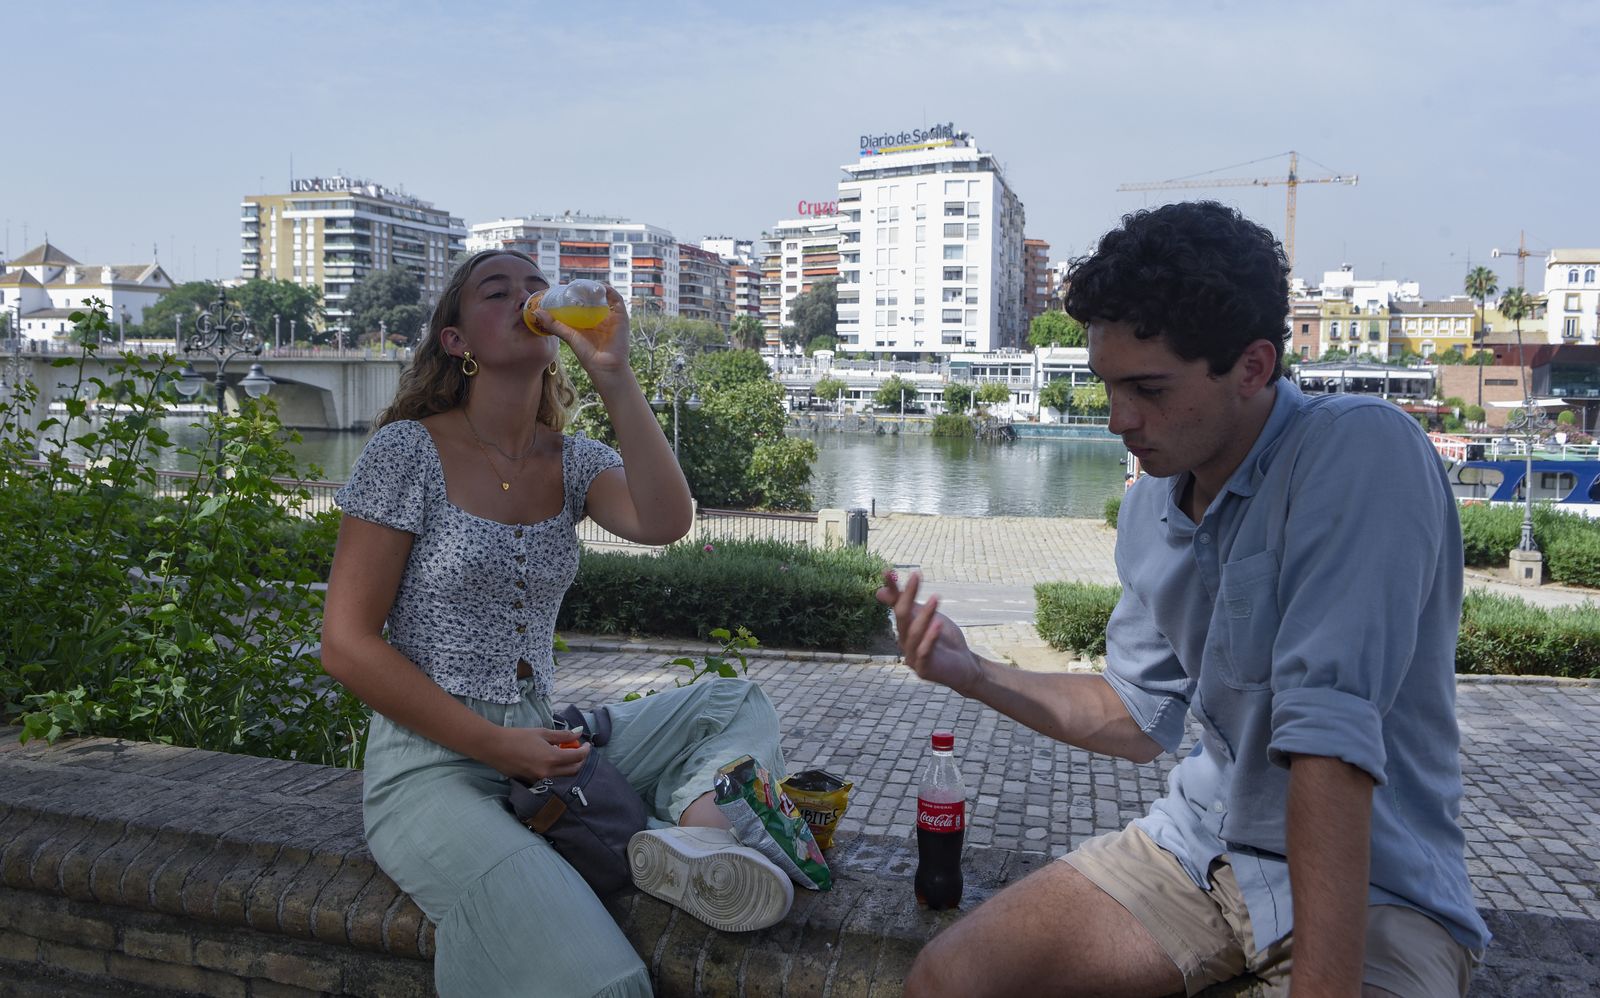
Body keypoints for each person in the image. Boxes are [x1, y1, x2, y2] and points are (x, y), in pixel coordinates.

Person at [880, 202, 1489, 998]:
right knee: (948, 979)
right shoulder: (1151, 503)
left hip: (1375, 888)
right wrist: (973, 672)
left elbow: (1329, 744)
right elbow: (1138, 719)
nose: (1117, 420)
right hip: (1200, 848)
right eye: (1108, 386)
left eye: (1148, 388)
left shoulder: (1359, 450)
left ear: (1254, 366)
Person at [321, 249, 797, 998]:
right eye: (496, 290)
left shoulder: (574, 461)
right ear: (457, 342)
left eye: (535, 286)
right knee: (603, 983)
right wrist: (495, 744)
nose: (526, 296)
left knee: (734, 703)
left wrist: (615, 374)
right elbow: (346, 645)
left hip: (542, 736)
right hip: (430, 769)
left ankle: (694, 838)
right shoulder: (407, 450)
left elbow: (667, 521)